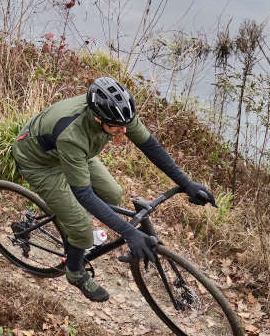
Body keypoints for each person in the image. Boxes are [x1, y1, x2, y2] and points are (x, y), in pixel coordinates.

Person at [11, 77, 216, 302]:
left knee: (112, 194)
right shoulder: (73, 134)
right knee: (80, 225)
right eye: (116, 128)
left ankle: (71, 228)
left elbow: (150, 146)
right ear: (97, 118)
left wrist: (186, 183)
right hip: (40, 163)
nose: (123, 131)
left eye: (125, 125)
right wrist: (129, 233)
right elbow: (84, 194)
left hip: (75, 155)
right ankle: (74, 270)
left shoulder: (118, 115)